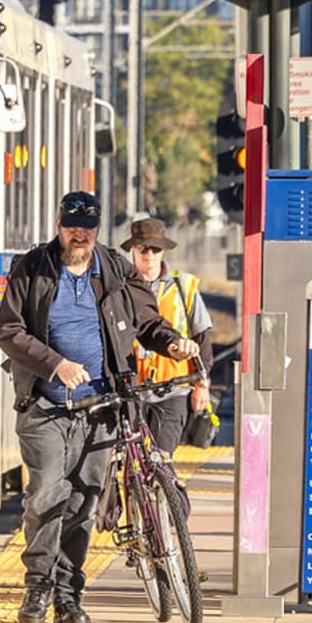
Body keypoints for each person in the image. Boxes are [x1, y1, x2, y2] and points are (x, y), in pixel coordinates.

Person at [0, 189, 204, 623]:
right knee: (48, 493)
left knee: (85, 504)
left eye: (87, 228)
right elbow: (9, 330)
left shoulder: (114, 268)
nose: (79, 235)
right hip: (47, 407)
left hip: (104, 405)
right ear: (58, 224)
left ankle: (69, 596)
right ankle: (38, 586)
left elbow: (148, 322)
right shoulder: (32, 268)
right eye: (72, 226)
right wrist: (55, 364)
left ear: (96, 230)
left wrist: (172, 343)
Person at [121, 217, 213, 526]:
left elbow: (203, 338)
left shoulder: (183, 286)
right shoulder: (119, 287)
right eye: (142, 249)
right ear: (132, 250)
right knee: (131, 462)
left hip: (172, 388)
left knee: (161, 457)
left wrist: (202, 384)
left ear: (163, 252)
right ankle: (138, 526)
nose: (148, 256)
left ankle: (173, 511)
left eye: (155, 250)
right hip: (130, 389)